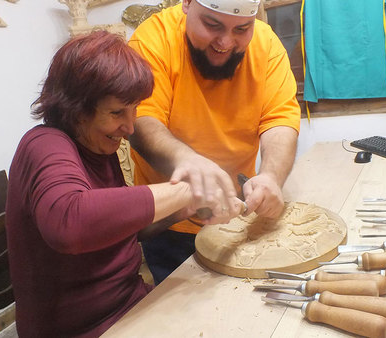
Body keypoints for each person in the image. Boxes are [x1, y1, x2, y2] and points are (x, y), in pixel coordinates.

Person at [5, 31, 243, 338]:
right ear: (74, 105)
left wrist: (185, 208)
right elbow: (71, 223)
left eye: (134, 111)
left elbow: (122, 233)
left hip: (129, 306)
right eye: (117, 112)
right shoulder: (43, 145)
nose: (130, 128)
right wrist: (191, 186)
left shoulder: (97, 146)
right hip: (81, 329)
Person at [128, 0, 301, 284]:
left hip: (239, 218)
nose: (225, 42)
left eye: (242, 29)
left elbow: (279, 118)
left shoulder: (266, 44)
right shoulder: (153, 39)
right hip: (170, 221)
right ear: (186, 4)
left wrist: (271, 176)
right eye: (212, 25)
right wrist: (189, 163)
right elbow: (142, 120)